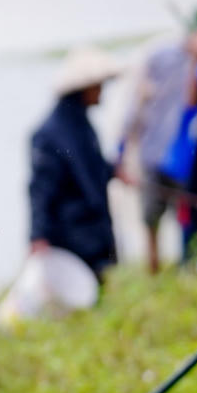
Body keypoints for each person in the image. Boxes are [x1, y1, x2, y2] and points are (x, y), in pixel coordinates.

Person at [120, 12, 197, 272]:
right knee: (150, 217)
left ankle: (187, 268)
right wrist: (122, 151)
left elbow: (195, 101)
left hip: (185, 159)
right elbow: (135, 106)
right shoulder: (159, 57)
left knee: (186, 217)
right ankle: (153, 269)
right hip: (153, 153)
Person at [28, 47, 125, 283]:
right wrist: (38, 235)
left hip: (92, 228)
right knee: (80, 289)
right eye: (98, 86)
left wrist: (114, 171)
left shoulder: (80, 122)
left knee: (99, 285)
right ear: (84, 88)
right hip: (72, 233)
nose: (101, 92)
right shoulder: (50, 133)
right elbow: (40, 189)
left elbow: (92, 167)